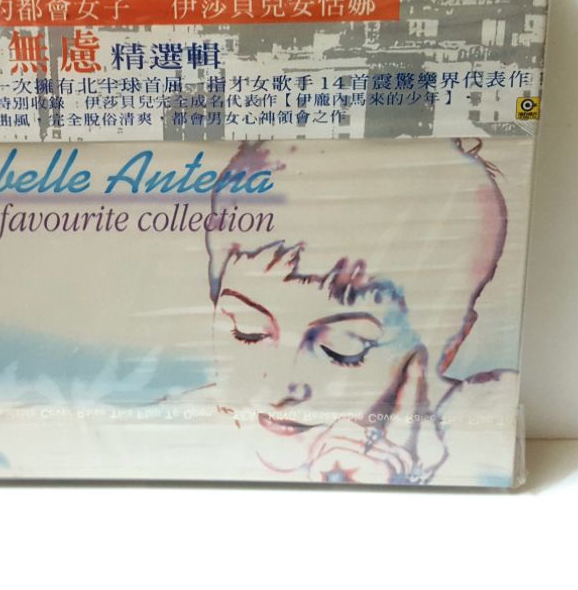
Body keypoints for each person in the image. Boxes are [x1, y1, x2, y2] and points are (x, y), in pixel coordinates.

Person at [203, 137, 522, 485]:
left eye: (342, 350)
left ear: (448, 348)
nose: (279, 388)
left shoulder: (473, 436)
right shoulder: (176, 428)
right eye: (247, 332)